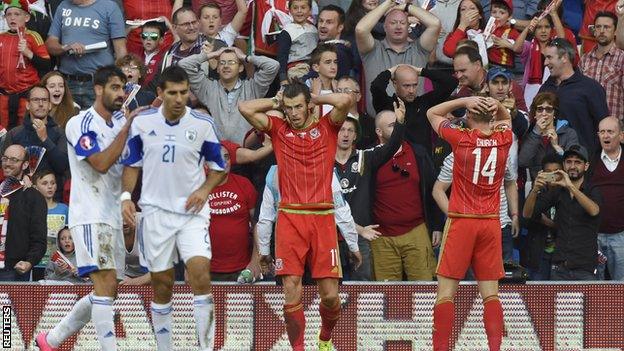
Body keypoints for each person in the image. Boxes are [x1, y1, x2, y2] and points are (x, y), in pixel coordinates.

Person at [238, 83, 355, 350]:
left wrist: (314, 96)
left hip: (323, 218)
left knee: (330, 297)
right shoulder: (279, 130)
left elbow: (345, 101)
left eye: (298, 106)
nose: (293, 113)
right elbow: (244, 107)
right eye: (289, 108)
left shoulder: (327, 127)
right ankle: (298, 348)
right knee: (291, 289)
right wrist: (275, 102)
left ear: (309, 106)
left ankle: (325, 338)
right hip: (290, 218)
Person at [120, 66, 226, 351]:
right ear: (160, 93)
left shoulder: (202, 124)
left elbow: (220, 169)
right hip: (155, 213)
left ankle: (206, 348)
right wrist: (126, 196)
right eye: (173, 93)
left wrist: (204, 190)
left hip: (191, 214)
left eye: (184, 92)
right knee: (162, 283)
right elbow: (132, 164)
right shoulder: (142, 123)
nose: (180, 99)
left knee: (200, 272)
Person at [36, 66, 135, 351]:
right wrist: (128, 128)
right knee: (104, 287)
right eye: (115, 88)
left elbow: (130, 164)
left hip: (113, 216)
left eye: (124, 88)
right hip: (90, 215)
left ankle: (50, 339)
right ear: (98, 89)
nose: (121, 94)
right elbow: (100, 164)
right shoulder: (80, 123)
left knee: (109, 290)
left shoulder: (119, 124)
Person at [426, 96, 513, 350]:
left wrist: (466, 98)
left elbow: (432, 113)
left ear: (471, 116)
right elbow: (506, 117)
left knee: (445, 295)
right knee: (491, 295)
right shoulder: (503, 139)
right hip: (490, 223)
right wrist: (492, 104)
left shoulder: (461, 139)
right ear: (492, 117)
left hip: (462, 221)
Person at [371, 105, 442, 281]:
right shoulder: (368, 156)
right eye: (392, 125)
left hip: (416, 231)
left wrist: (437, 226)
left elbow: (433, 190)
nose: (398, 128)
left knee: (424, 290)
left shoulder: (418, 152)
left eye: (399, 124)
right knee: (386, 295)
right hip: (381, 236)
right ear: (379, 132)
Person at [334, 106, 405, 281]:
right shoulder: (323, 163)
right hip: (331, 237)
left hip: (361, 237)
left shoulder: (365, 157)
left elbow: (391, 146)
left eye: (350, 130)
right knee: (331, 289)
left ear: (356, 135)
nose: (345, 134)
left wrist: (400, 122)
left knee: (363, 289)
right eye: (341, 129)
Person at [257, 164, 361, 283]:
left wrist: (265, 251)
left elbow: (265, 218)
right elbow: (342, 213)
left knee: (291, 293)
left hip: (289, 243)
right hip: (320, 243)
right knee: (327, 293)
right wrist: (353, 246)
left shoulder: (275, 173)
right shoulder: (325, 169)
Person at [523, 144, 601, 281]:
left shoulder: (592, 189)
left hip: (585, 267)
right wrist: (535, 190)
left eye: (578, 162)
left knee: (587, 304)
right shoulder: (557, 191)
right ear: (564, 165)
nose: (572, 166)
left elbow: (594, 210)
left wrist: (570, 186)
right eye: (569, 162)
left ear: (586, 166)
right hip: (560, 267)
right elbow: (527, 214)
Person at [178, 44, 279, 144]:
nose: (226, 66)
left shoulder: (253, 87)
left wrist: (245, 57)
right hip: (218, 152)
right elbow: (184, 64)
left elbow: (273, 66)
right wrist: (213, 54)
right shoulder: (207, 87)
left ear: (240, 68)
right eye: (222, 63)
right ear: (217, 68)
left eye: (231, 62)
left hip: (247, 150)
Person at [356, 0, 441, 115]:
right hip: (379, 123)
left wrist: (406, 7)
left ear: (408, 27)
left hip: (413, 122)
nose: (398, 26)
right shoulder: (372, 50)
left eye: (402, 23)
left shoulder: (419, 50)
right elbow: (361, 29)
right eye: (393, 23)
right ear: (384, 27)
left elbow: (435, 24)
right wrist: (388, 2)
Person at [46, 0, 127, 109]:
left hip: (99, 82)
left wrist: (120, 83)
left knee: (98, 123)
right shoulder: (64, 6)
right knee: (66, 124)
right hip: (67, 82)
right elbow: (50, 43)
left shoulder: (109, 7)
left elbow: (121, 51)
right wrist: (66, 48)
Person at [538, 38, 609, 153]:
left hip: (582, 161)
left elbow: (604, 126)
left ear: (564, 57)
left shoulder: (590, 88)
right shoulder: (545, 88)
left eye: (549, 57)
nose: (545, 63)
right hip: (549, 162)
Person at [371, 64, 457, 154]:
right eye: (406, 86)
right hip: (395, 161)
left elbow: (451, 82)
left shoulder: (425, 102)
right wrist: (391, 71)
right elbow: (376, 86)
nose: (411, 90)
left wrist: (421, 71)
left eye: (415, 85)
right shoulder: (387, 104)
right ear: (395, 84)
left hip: (423, 162)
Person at [208, 144, 259, 282]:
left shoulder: (244, 185)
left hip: (242, 270)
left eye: (227, 157)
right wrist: (190, 267)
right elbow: (188, 230)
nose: (224, 162)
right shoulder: (199, 186)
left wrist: (255, 260)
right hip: (205, 269)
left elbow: (257, 225)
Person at [1, 85, 69, 186]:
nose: (41, 104)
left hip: (52, 194)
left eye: (44, 100)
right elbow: (6, 166)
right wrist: (21, 177)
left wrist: (45, 139)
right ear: (27, 105)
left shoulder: (60, 133)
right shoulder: (14, 134)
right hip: (20, 193)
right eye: (36, 100)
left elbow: (62, 167)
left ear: (50, 105)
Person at [0, 0, 51, 129]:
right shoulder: (1, 37)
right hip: (4, 98)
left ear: (26, 17)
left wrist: (28, 53)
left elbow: (47, 65)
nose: (12, 17)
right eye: (9, 14)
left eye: (17, 14)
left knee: (25, 133)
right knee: (4, 135)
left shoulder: (33, 36)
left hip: (26, 97)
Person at [0, 144, 47, 281]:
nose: (7, 163)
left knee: (7, 304)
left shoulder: (33, 197)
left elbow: (39, 238)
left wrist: (29, 261)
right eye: (5, 158)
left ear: (25, 164)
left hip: (14, 270)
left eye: (14, 160)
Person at [591, 117, 624, 280]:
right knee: (595, 289)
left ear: (622, 136)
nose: (606, 136)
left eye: (610, 132)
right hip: (594, 235)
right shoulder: (590, 160)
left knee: (621, 286)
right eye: (602, 132)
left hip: (621, 236)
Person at [518, 92, 578, 179]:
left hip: (563, 185)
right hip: (539, 185)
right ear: (535, 113)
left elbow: (573, 165)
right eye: (540, 109)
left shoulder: (569, 133)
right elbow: (523, 162)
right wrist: (536, 133)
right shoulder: (530, 133)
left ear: (554, 113)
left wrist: (556, 146)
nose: (544, 113)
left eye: (549, 109)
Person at [522, 152, 562, 280]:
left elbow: (569, 225)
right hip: (539, 252)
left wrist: (548, 222)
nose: (553, 176)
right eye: (548, 172)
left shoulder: (568, 192)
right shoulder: (537, 192)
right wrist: (535, 189)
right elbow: (526, 220)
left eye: (556, 172)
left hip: (561, 254)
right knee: (539, 294)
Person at [580, 11, 624, 120]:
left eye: (607, 27)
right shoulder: (584, 59)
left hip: (615, 126)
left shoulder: (622, 58)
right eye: (598, 27)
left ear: (615, 32)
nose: (602, 31)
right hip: (588, 123)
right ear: (594, 31)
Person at [32, 169, 69, 279]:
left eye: (53, 183)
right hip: (36, 263)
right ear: (35, 187)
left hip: (59, 264)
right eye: (44, 183)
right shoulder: (31, 210)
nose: (49, 186)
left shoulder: (64, 209)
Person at [276, 0, 318, 84]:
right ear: (290, 11)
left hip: (314, 68)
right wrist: (283, 78)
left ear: (310, 10)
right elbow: (282, 56)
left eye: (303, 7)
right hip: (297, 68)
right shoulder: (287, 31)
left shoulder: (314, 29)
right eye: (295, 8)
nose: (299, 11)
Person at [335, 76, 376, 149]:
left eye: (347, 91)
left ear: (358, 96)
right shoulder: (330, 121)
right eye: (338, 91)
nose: (342, 94)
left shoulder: (371, 123)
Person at [317, 4, 354, 78]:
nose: (323, 25)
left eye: (329, 22)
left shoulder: (339, 53)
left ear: (340, 27)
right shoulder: (322, 46)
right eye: (321, 21)